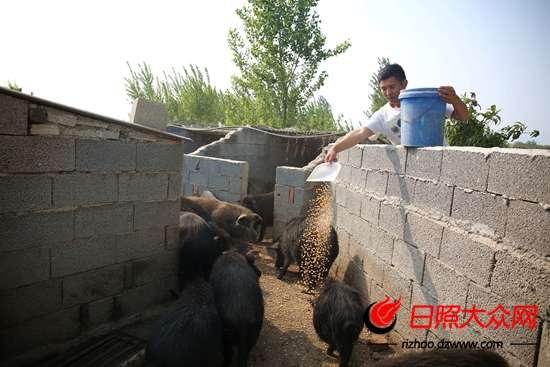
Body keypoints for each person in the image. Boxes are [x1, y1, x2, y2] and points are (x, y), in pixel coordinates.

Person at [325, 63, 469, 163]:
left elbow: (463, 117)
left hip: (441, 160)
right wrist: (336, 148)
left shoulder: (425, 101)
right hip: (415, 166)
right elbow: (360, 132)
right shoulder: (383, 116)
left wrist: (455, 99)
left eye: (392, 87)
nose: (388, 93)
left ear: (404, 84)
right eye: (383, 88)